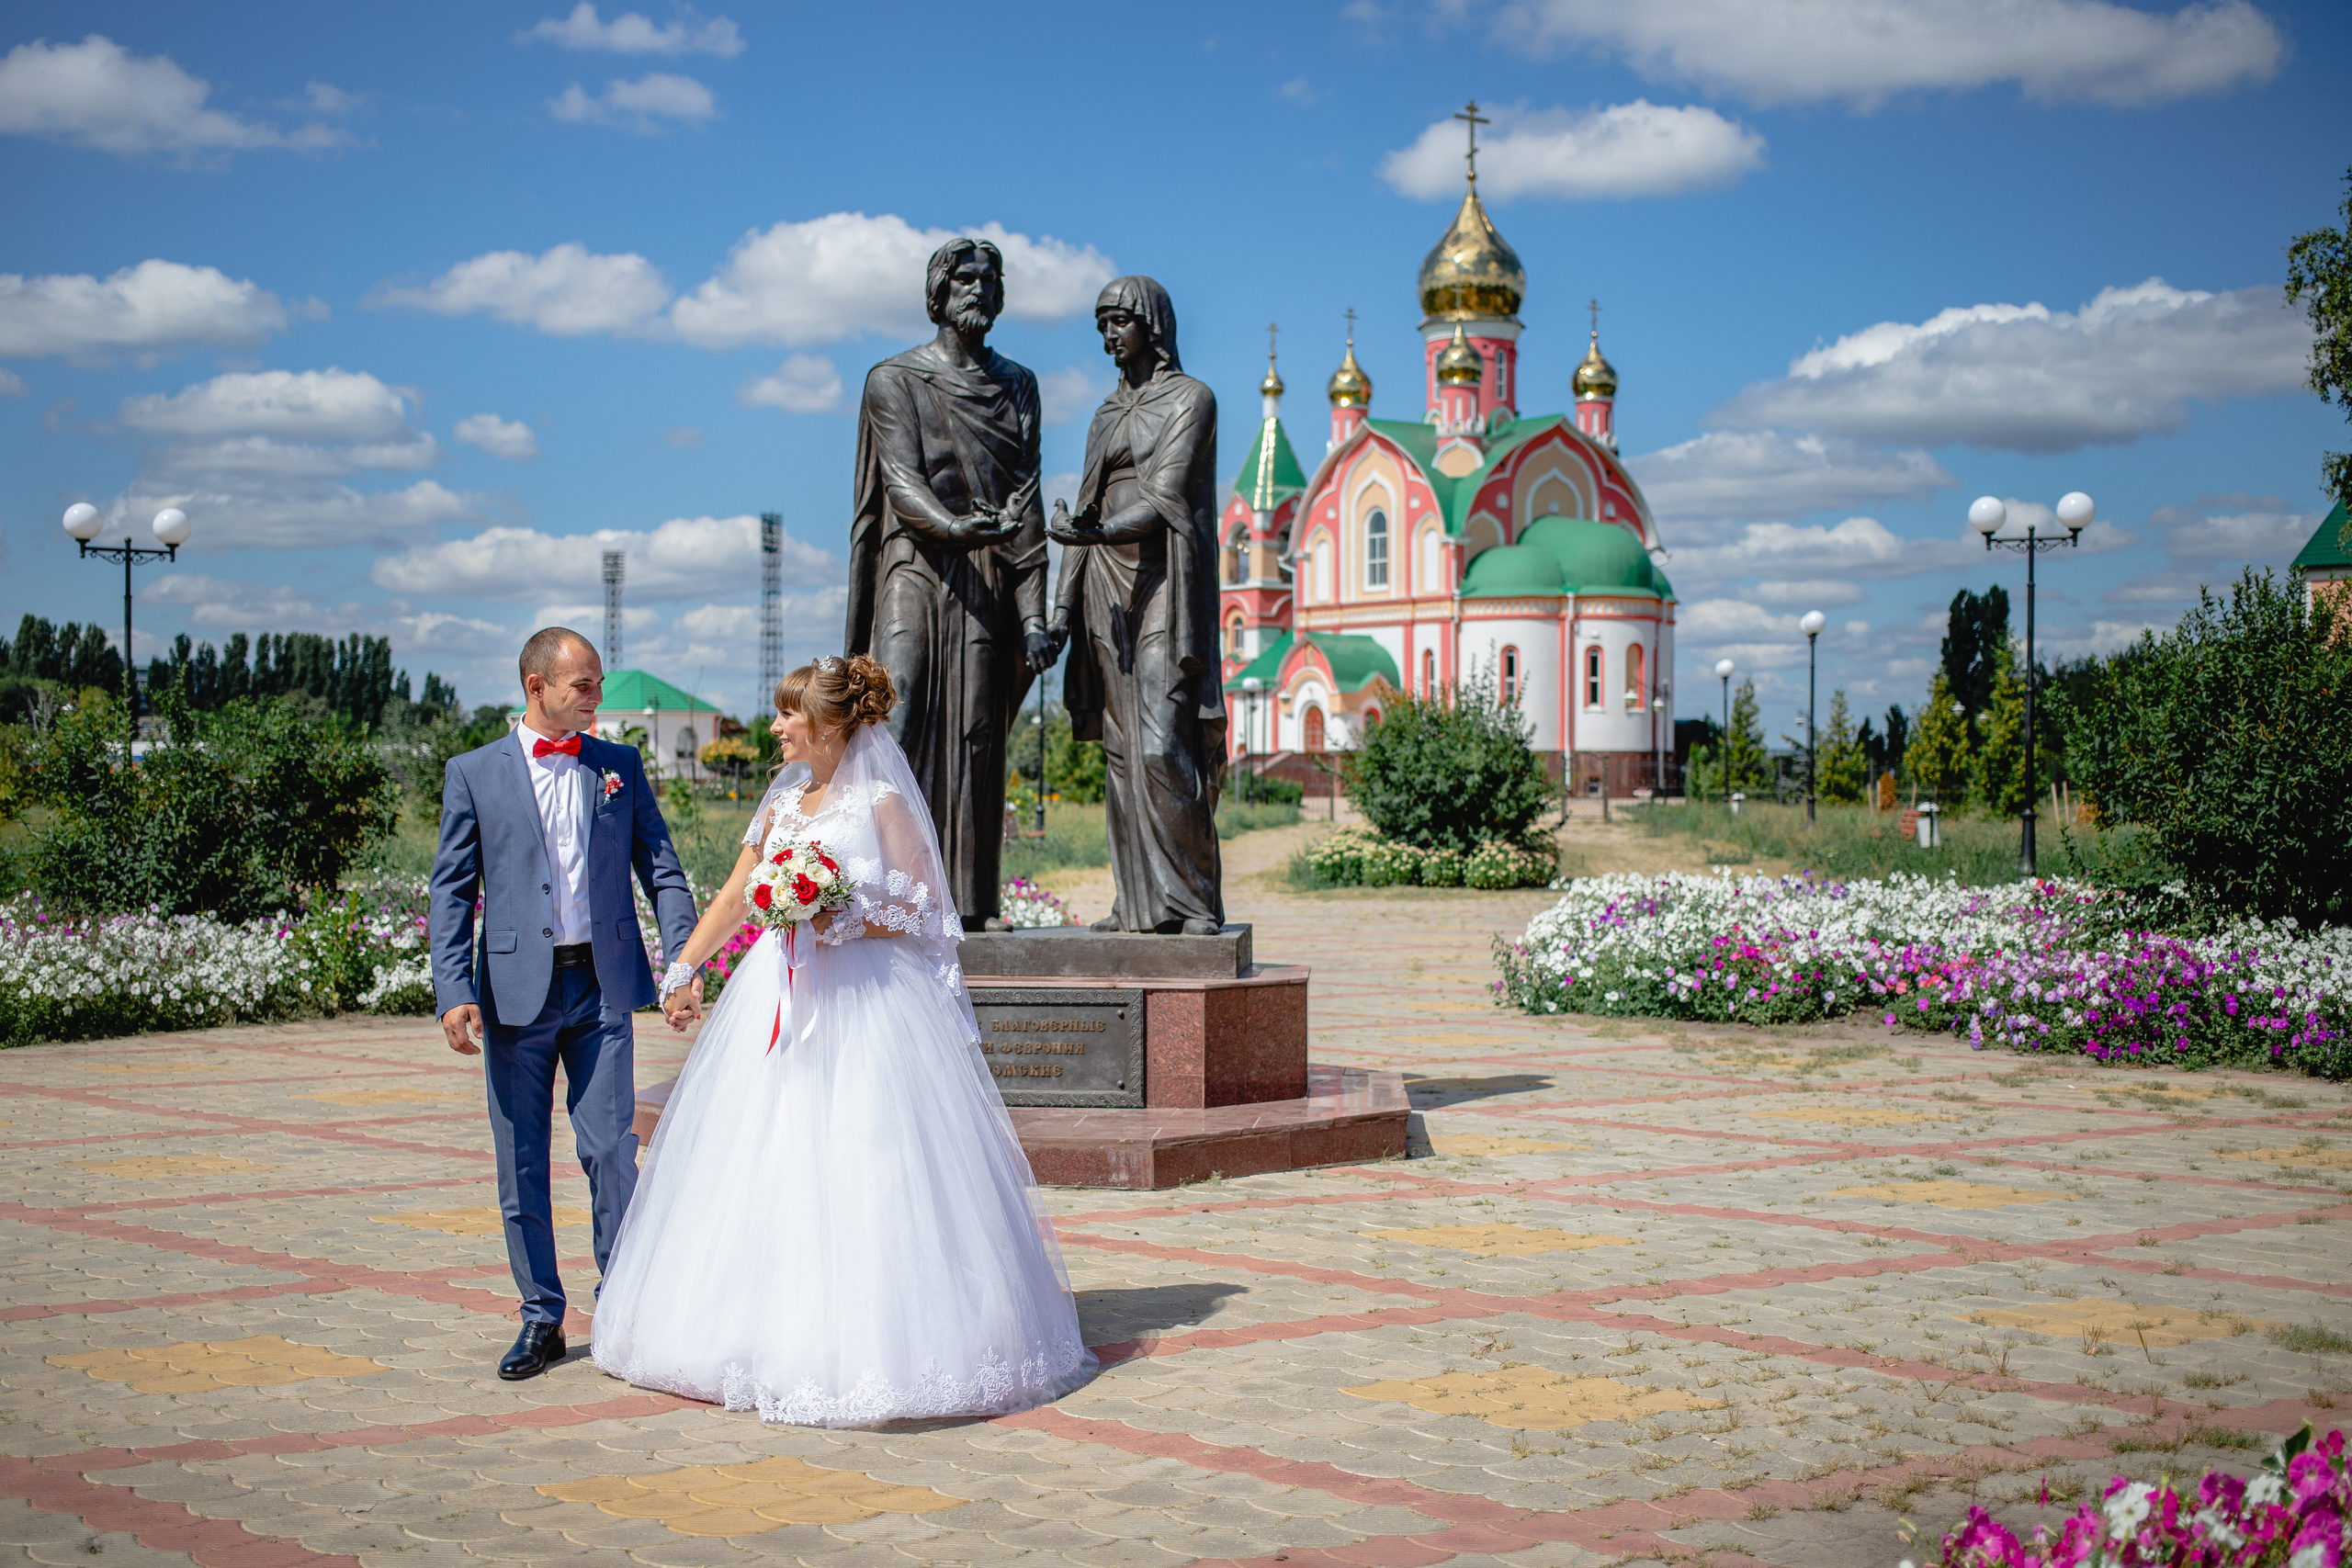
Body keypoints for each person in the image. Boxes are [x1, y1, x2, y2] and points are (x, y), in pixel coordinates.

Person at [591, 654, 1095, 1427]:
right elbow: (736, 893)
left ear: (826, 724)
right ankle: (748, 1331)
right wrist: (685, 965)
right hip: (783, 994)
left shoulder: (883, 798)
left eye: (788, 714)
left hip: (869, 1004)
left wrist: (841, 914)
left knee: (870, 1160)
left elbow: (928, 908)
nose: (776, 727)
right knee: (766, 1155)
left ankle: (881, 1341)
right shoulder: (784, 797)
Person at [428, 627, 697, 1382]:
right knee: (522, 1162)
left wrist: (681, 962)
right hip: (514, 995)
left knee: (611, 1146)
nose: (597, 698)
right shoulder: (473, 772)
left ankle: (624, 1301)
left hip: (601, 985)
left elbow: (663, 869)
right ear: (535, 686)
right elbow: (450, 890)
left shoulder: (618, 766)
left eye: (599, 682)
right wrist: (452, 986)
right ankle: (541, 1316)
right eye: (584, 685)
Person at [843, 236, 1058, 931]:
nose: (979, 289)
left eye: (990, 279)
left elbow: (1024, 505)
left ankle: (974, 902)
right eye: (965, 278)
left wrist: (1033, 615)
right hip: (916, 567)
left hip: (988, 576)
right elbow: (902, 486)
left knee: (978, 737)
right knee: (895, 722)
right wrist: (959, 528)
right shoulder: (895, 380)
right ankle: (883, 896)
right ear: (937, 291)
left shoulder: (1017, 384)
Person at [1046, 275, 1227, 934]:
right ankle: (1137, 905)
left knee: (1160, 747)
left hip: (1162, 589)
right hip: (1103, 588)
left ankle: (1193, 899)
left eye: (1117, 322)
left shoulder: (1191, 400)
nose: (1107, 338)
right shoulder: (1104, 415)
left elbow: (1166, 498)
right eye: (1099, 327)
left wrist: (1092, 531)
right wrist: (1059, 617)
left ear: (1152, 324)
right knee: (1120, 756)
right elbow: (1082, 513)